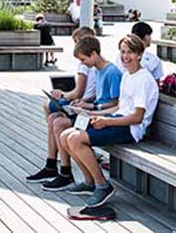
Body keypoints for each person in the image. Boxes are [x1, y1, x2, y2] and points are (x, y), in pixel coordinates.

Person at [59, 34, 159, 207]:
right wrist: (95, 114)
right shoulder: (128, 75)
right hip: (118, 119)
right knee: (65, 135)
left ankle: (102, 185)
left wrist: (106, 121)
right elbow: (119, 108)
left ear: (140, 55)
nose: (125, 57)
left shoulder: (143, 79)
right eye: (122, 52)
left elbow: (137, 117)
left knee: (75, 138)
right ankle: (90, 182)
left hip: (131, 128)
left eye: (130, 53)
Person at [41, 36, 122, 192]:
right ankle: (70, 173)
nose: (83, 64)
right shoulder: (98, 70)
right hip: (91, 111)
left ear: (94, 54)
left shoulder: (112, 72)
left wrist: (91, 106)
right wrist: (82, 102)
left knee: (59, 124)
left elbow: (115, 103)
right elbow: (99, 96)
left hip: (102, 116)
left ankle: (69, 175)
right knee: (53, 117)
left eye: (84, 60)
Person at [25, 26, 98, 184]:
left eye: (78, 43)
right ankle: (54, 164)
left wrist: (64, 95)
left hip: (86, 109)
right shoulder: (93, 64)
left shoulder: (86, 64)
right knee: (54, 117)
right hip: (84, 104)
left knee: (54, 116)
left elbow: (79, 93)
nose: (76, 48)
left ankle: (62, 169)